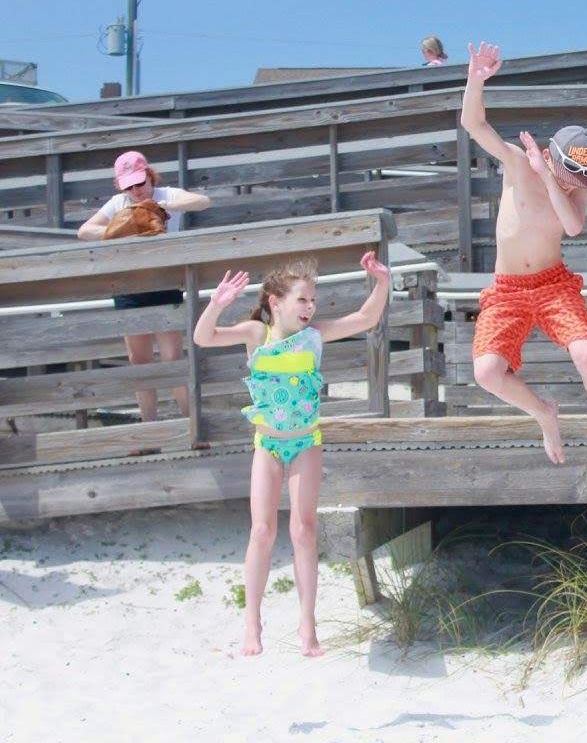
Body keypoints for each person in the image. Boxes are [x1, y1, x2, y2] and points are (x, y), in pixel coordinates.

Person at [191, 253, 391, 657]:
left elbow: (366, 318)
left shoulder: (314, 335)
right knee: (262, 531)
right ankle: (252, 622)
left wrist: (383, 282)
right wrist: (216, 304)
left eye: (313, 300)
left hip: (306, 442)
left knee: (303, 530)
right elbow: (203, 338)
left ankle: (307, 624)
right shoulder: (256, 334)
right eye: (302, 299)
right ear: (275, 302)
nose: (310, 307)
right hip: (267, 445)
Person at [460, 41, 587, 476]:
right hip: (508, 290)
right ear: (551, 156)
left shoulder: (574, 191)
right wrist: (476, 79)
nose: (574, 185)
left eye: (580, 180)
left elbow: (572, 227)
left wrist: (553, 181)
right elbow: (473, 123)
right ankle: (543, 412)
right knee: (487, 373)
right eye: (568, 175)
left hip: (553, 285)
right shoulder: (516, 163)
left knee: (586, 353)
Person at [76, 151, 211, 430]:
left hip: (163, 283)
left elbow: (202, 201)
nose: (136, 190)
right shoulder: (119, 204)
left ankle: (193, 426)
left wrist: (160, 205)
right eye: (129, 186)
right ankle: (148, 429)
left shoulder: (166, 194)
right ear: (121, 186)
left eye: (140, 183)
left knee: (172, 358)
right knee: (140, 361)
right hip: (129, 287)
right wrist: (122, 227)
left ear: (150, 176)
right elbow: (84, 231)